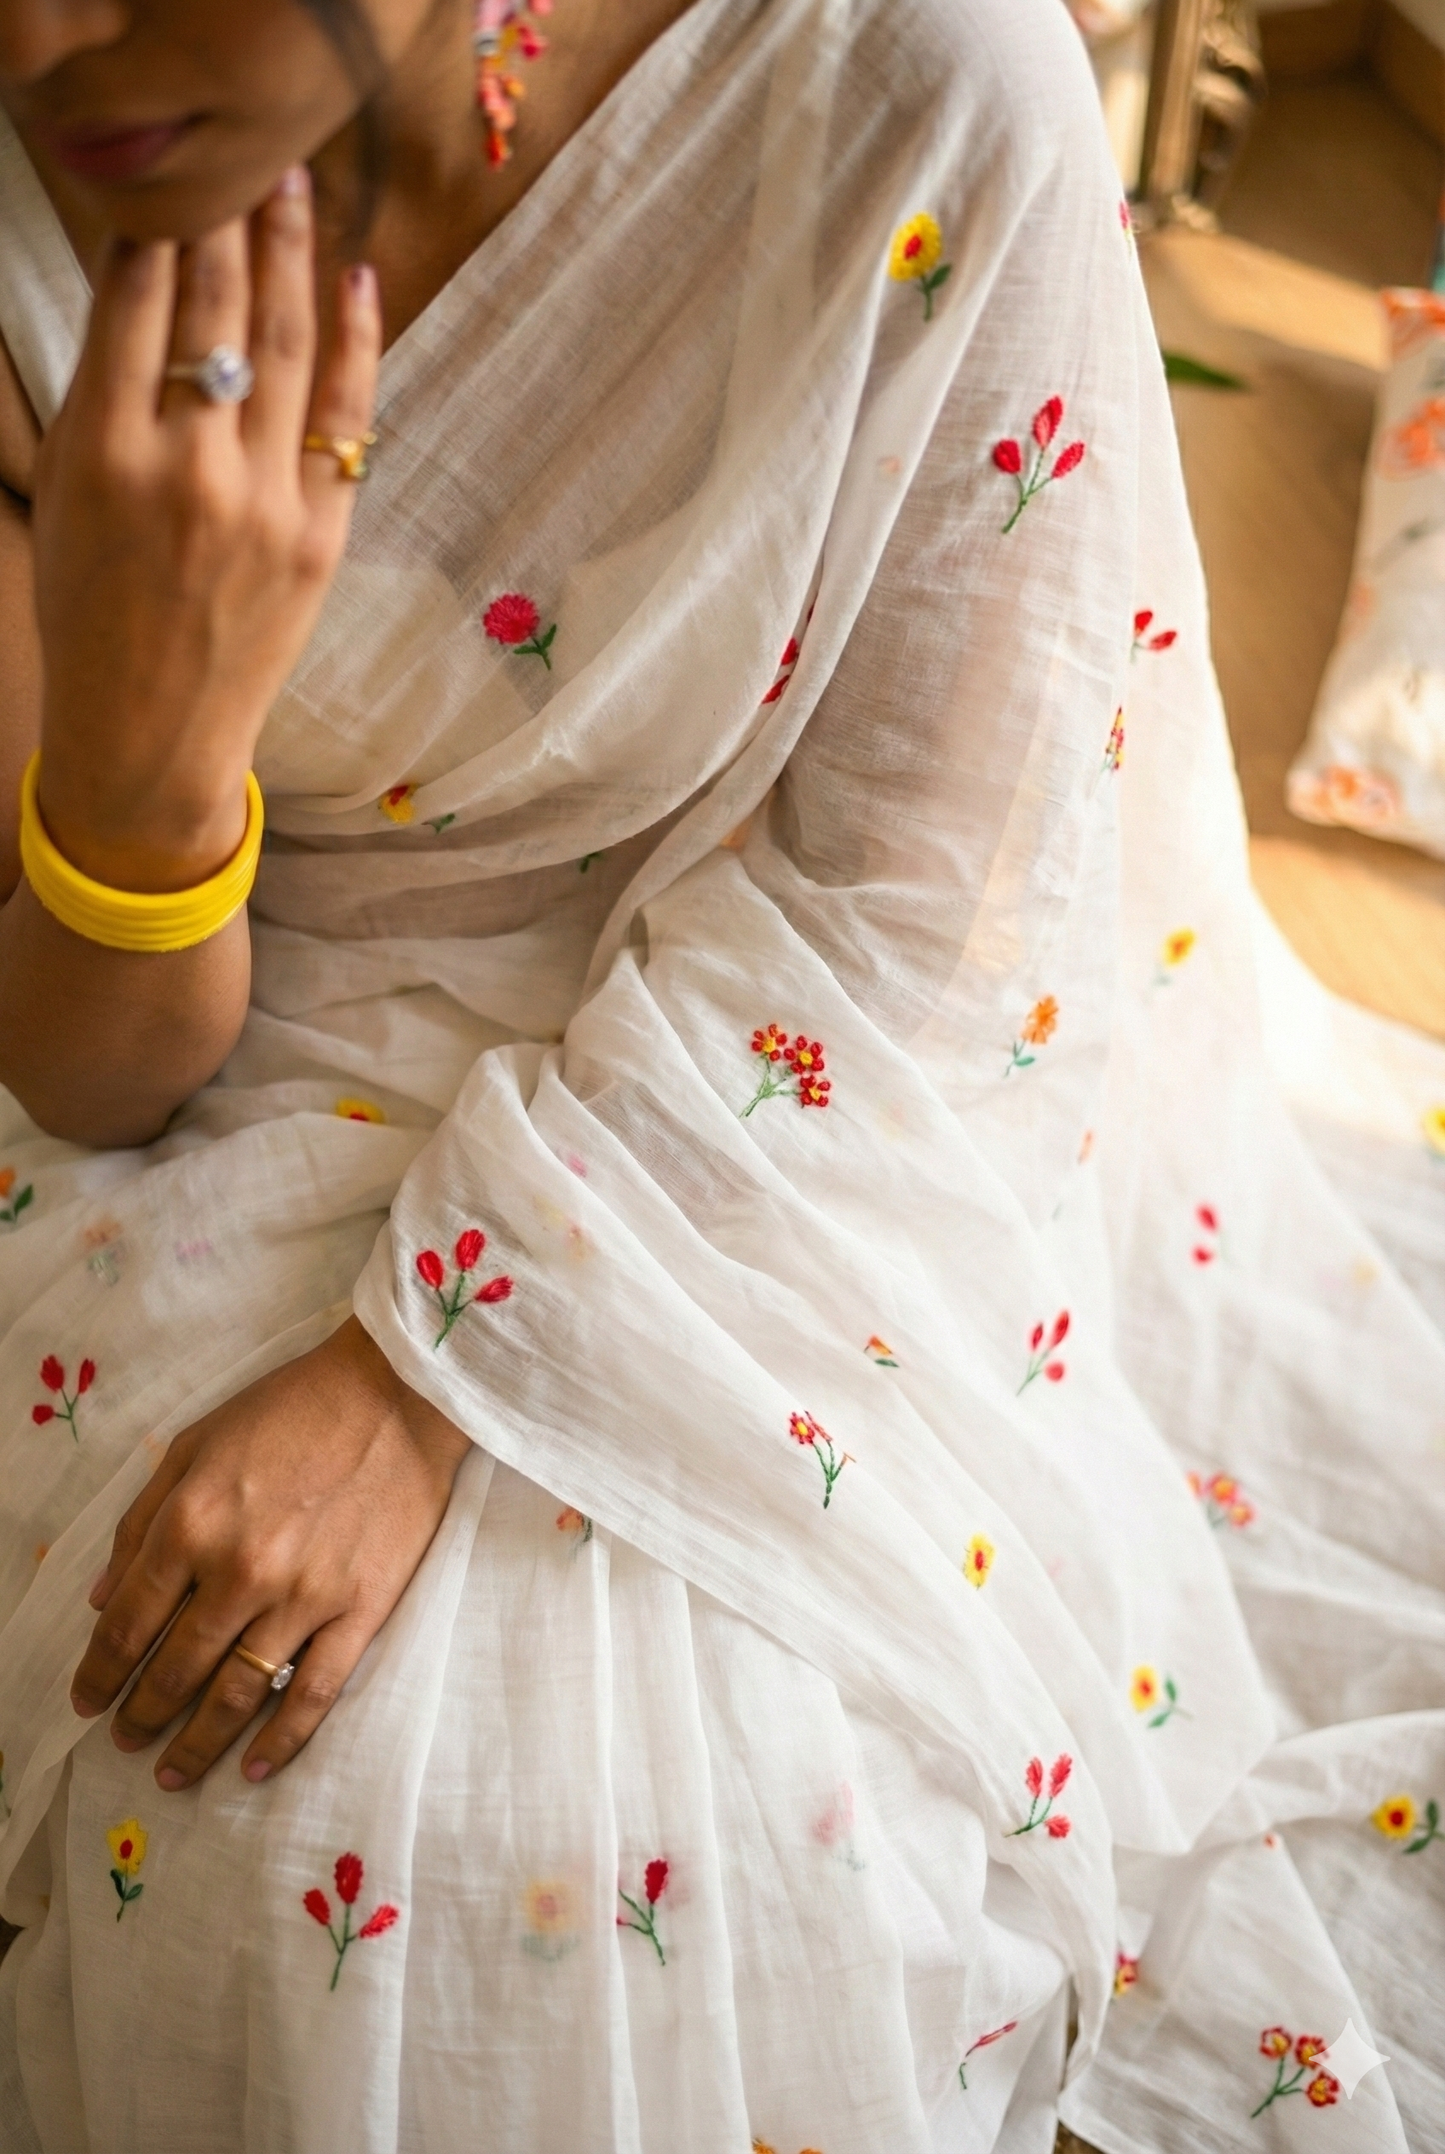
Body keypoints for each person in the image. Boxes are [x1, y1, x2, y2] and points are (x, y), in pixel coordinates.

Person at [0, 1, 1439, 2147]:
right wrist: (140, 750)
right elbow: (93, 1071)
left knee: (660, 1833)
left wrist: (426, 1371)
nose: (53, 35)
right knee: (225, 1810)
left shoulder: (912, 87)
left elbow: (921, 936)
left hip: (783, 1106)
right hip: (205, 1050)